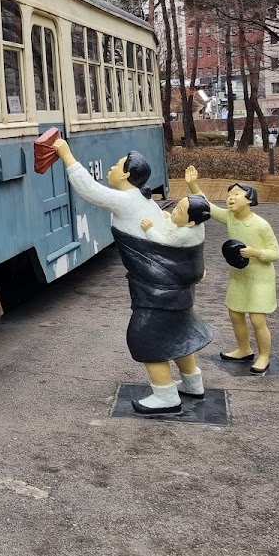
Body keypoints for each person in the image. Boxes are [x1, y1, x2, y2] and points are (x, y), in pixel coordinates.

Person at [53, 139, 213, 415]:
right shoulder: (143, 200)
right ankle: (192, 383)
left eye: (115, 165)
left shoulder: (127, 199)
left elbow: (90, 191)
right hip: (176, 288)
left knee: (146, 336)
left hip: (157, 288)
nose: (111, 168)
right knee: (178, 332)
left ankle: (165, 396)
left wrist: (67, 156)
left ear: (126, 174)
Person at [186, 169, 279, 375]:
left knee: (257, 319)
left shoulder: (261, 225)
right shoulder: (230, 217)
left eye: (236, 194)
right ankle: (244, 349)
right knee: (235, 314)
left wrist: (255, 252)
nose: (231, 198)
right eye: (229, 195)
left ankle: (264, 355)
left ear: (250, 199)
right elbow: (208, 208)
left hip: (260, 278)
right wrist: (193, 184)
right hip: (239, 275)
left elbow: (275, 253)